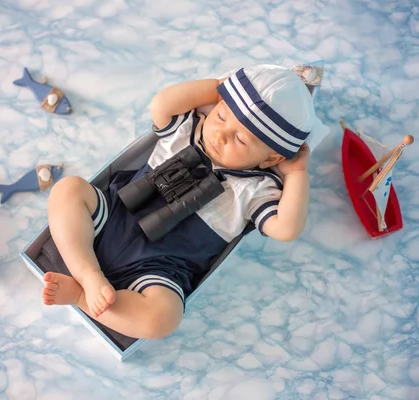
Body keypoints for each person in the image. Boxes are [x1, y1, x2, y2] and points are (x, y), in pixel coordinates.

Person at [41, 64, 329, 339]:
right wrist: (219, 89)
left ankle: (79, 296)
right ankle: (87, 273)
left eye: (240, 140)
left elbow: (287, 229)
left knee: (163, 318)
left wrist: (296, 173)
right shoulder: (187, 131)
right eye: (221, 116)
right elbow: (161, 104)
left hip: (159, 268)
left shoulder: (257, 188)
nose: (221, 134)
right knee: (69, 190)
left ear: (271, 158)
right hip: (113, 216)